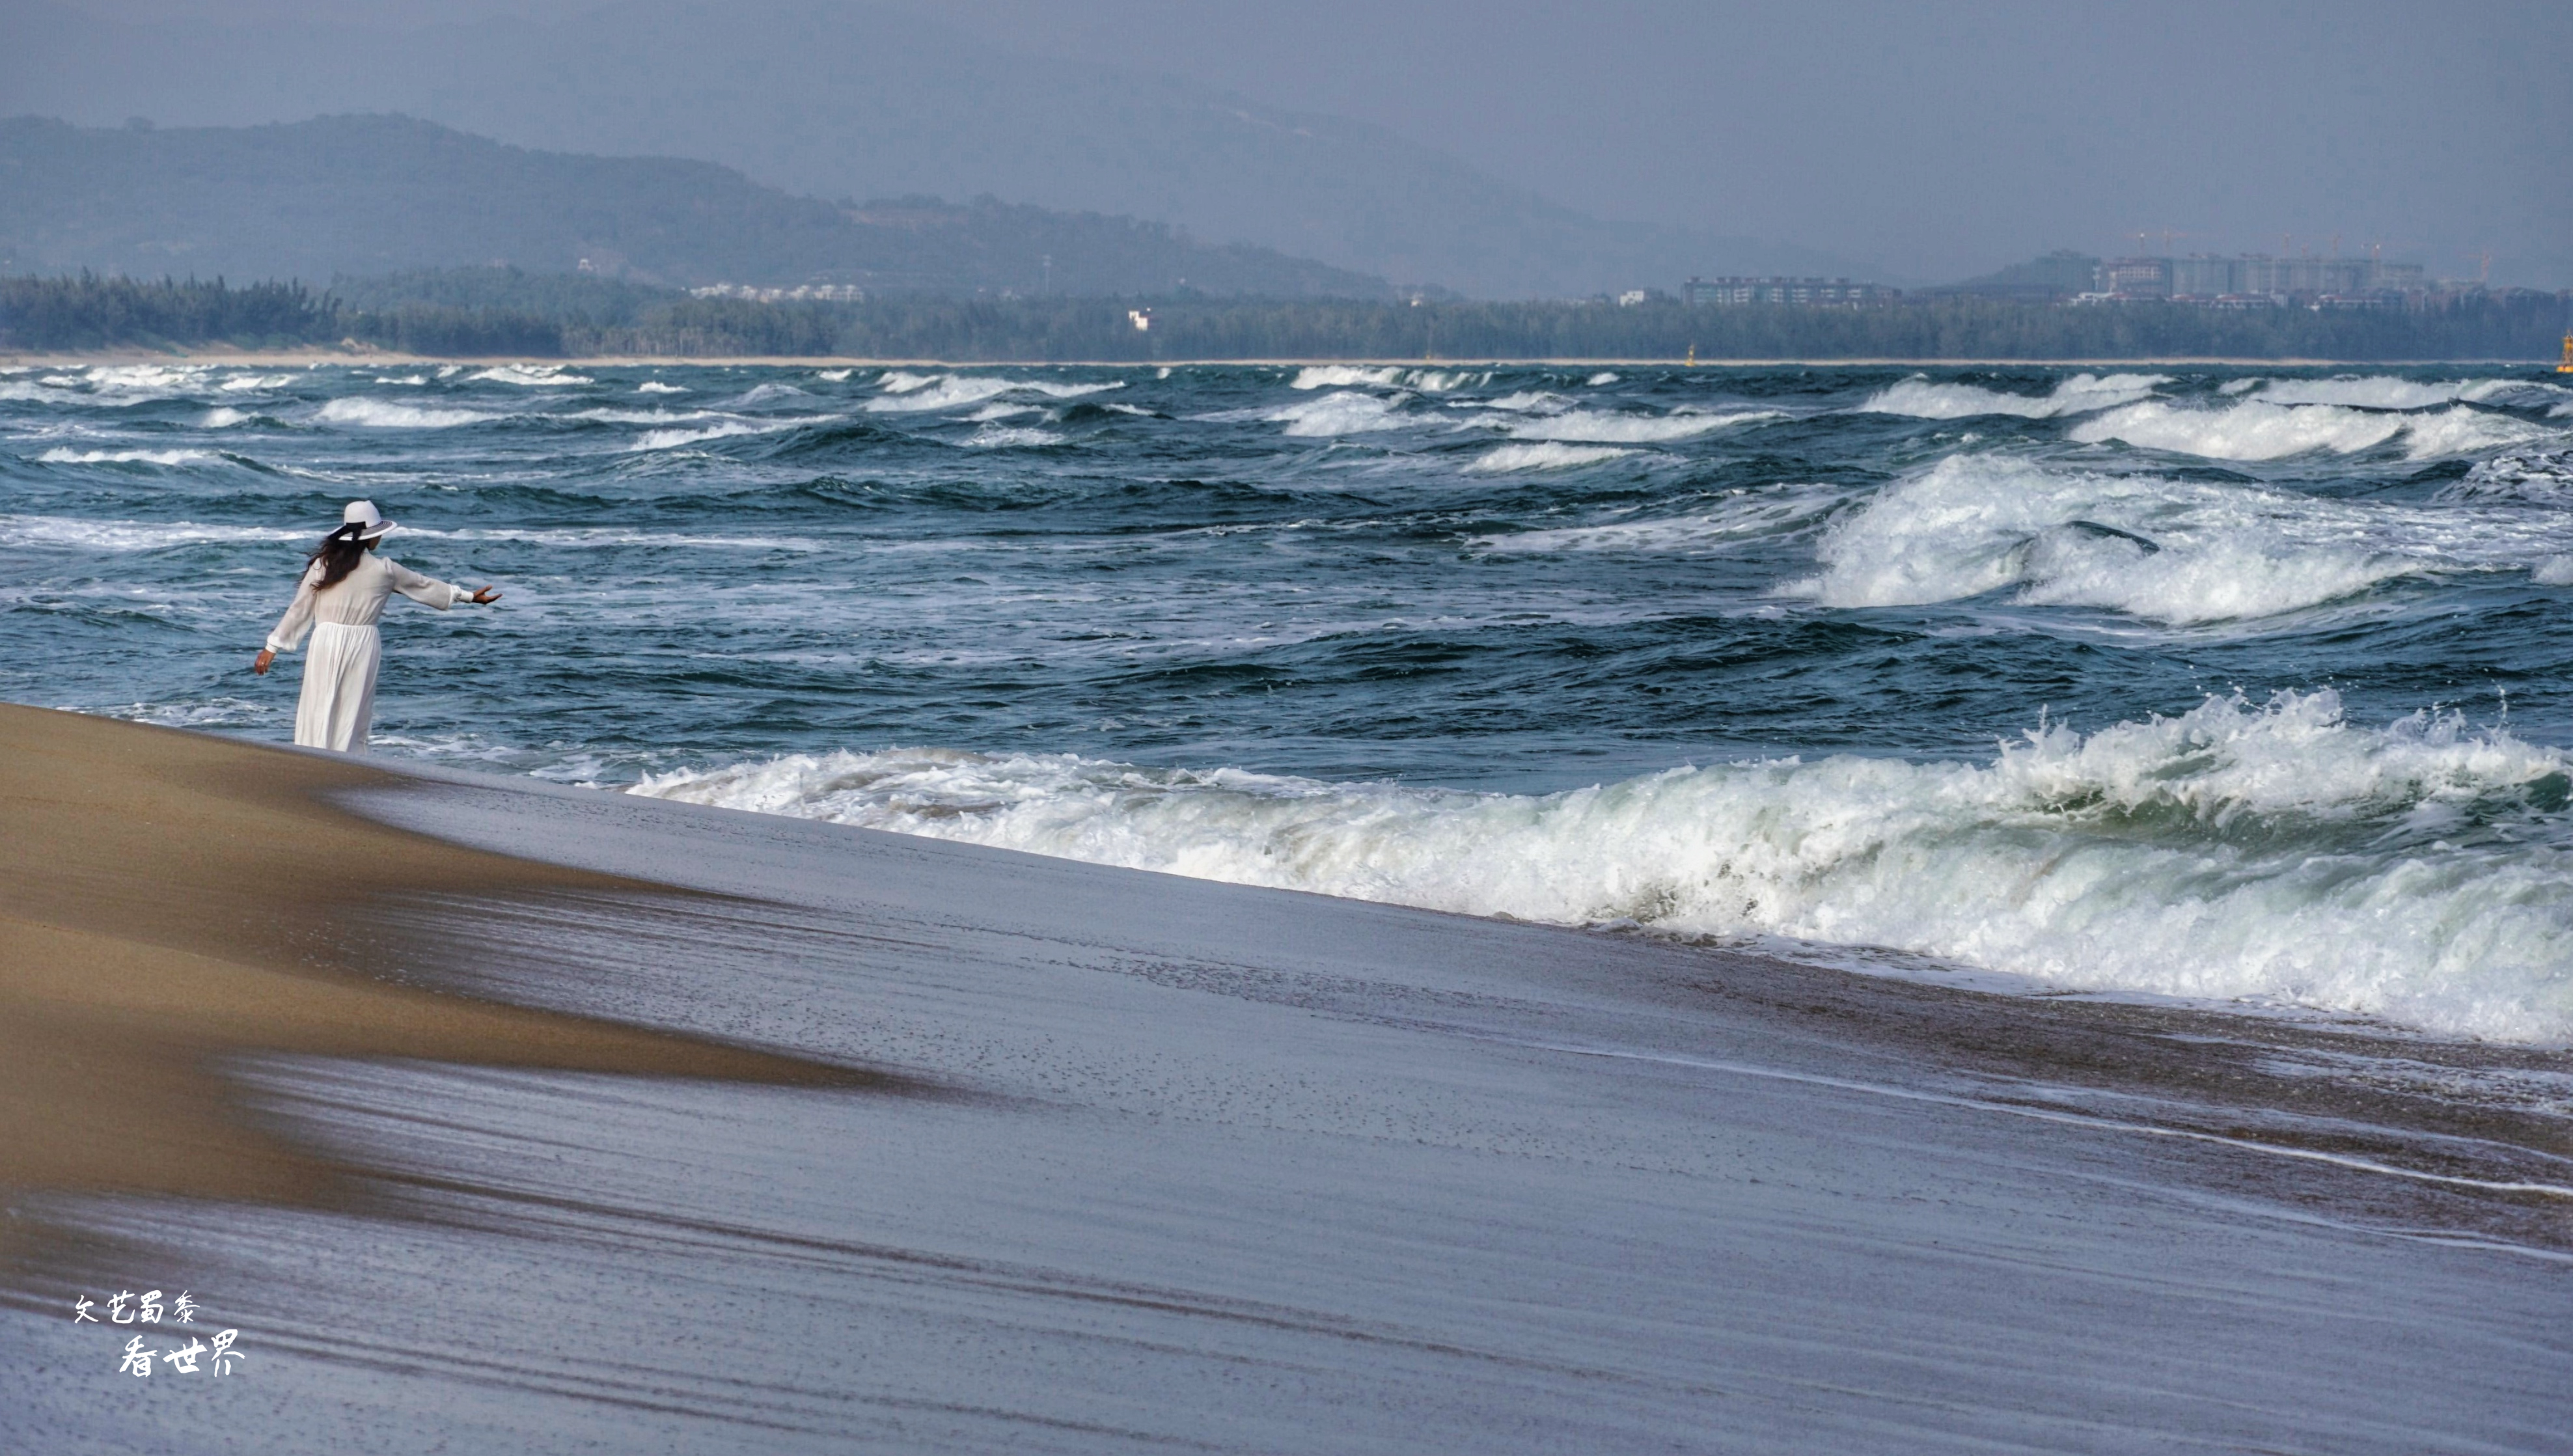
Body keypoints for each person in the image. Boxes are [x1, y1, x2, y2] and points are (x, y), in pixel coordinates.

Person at [253, 501, 501, 752]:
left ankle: (310, 755)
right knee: (354, 707)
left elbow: (300, 608)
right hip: (363, 642)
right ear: (369, 537)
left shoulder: (324, 565)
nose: (381, 537)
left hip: (325, 640)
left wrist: (272, 647)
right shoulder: (385, 570)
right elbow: (424, 585)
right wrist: (469, 596)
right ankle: (347, 758)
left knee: (318, 700)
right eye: (378, 532)